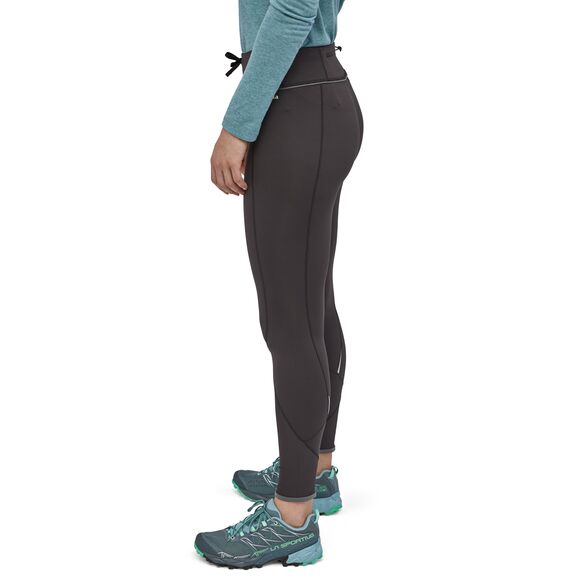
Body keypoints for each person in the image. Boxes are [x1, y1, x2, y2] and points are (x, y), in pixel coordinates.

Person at [195, 0, 363, 568]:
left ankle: (292, 518)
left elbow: (292, 11)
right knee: (311, 307)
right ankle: (314, 471)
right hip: (314, 96)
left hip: (293, 106)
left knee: (290, 320)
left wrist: (236, 126)